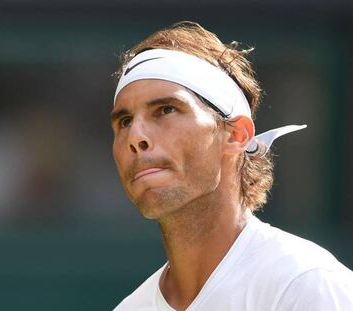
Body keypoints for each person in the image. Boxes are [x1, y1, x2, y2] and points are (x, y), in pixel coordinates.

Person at [110, 21, 353, 311]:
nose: (136, 137)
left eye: (166, 110)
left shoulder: (304, 285)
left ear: (236, 135)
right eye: (124, 121)